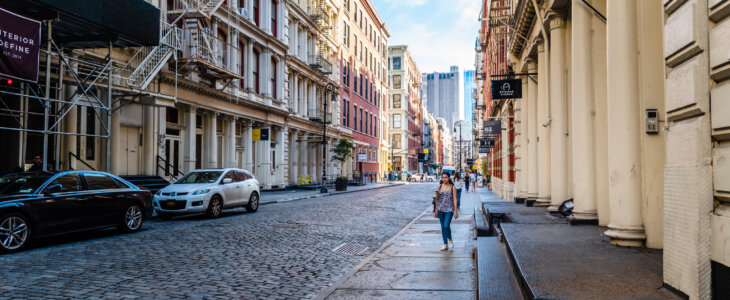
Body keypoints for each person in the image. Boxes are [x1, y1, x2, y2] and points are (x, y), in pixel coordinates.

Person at [434, 172, 458, 251]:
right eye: (443, 177)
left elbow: (455, 199)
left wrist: (456, 211)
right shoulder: (439, 186)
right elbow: (437, 199)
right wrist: (437, 195)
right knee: (442, 227)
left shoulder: (452, 187)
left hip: (449, 209)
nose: (444, 179)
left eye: (446, 177)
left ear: (449, 178)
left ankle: (450, 240)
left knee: (446, 226)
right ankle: (445, 244)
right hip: (440, 209)